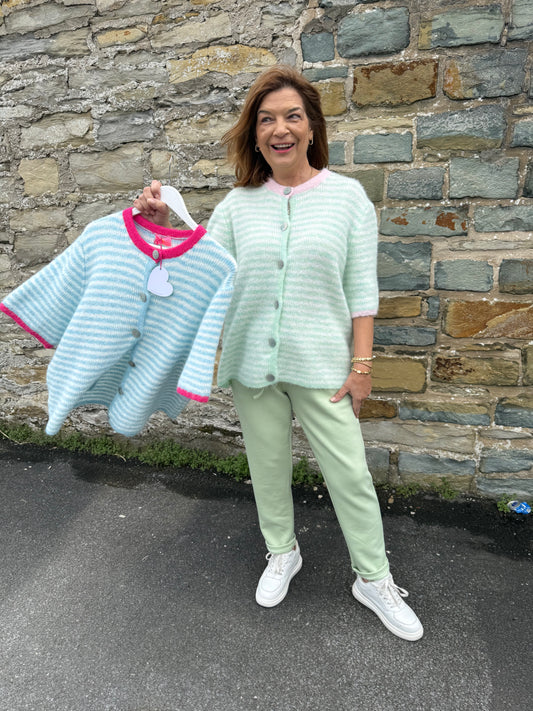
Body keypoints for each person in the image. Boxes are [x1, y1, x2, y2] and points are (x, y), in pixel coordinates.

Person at [133, 65, 423, 641]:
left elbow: (362, 292)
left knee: (350, 475)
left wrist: (362, 367)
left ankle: (374, 579)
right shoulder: (238, 205)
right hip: (252, 364)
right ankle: (282, 552)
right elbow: (203, 271)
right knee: (267, 468)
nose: (279, 129)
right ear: (256, 133)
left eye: (292, 116)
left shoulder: (348, 199)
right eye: (266, 120)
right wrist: (164, 226)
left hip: (323, 366)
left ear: (312, 127)